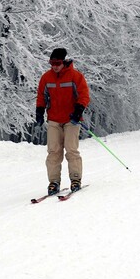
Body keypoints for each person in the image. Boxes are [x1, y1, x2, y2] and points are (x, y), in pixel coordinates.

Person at [36, 48, 90, 194]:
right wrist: (39, 111)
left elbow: (84, 95)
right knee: (53, 151)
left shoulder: (75, 76)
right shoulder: (46, 78)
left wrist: (78, 110)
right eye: (52, 63)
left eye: (57, 63)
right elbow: (41, 96)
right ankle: (54, 182)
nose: (54, 66)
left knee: (71, 149)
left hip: (71, 120)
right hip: (54, 119)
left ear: (65, 62)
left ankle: (75, 179)